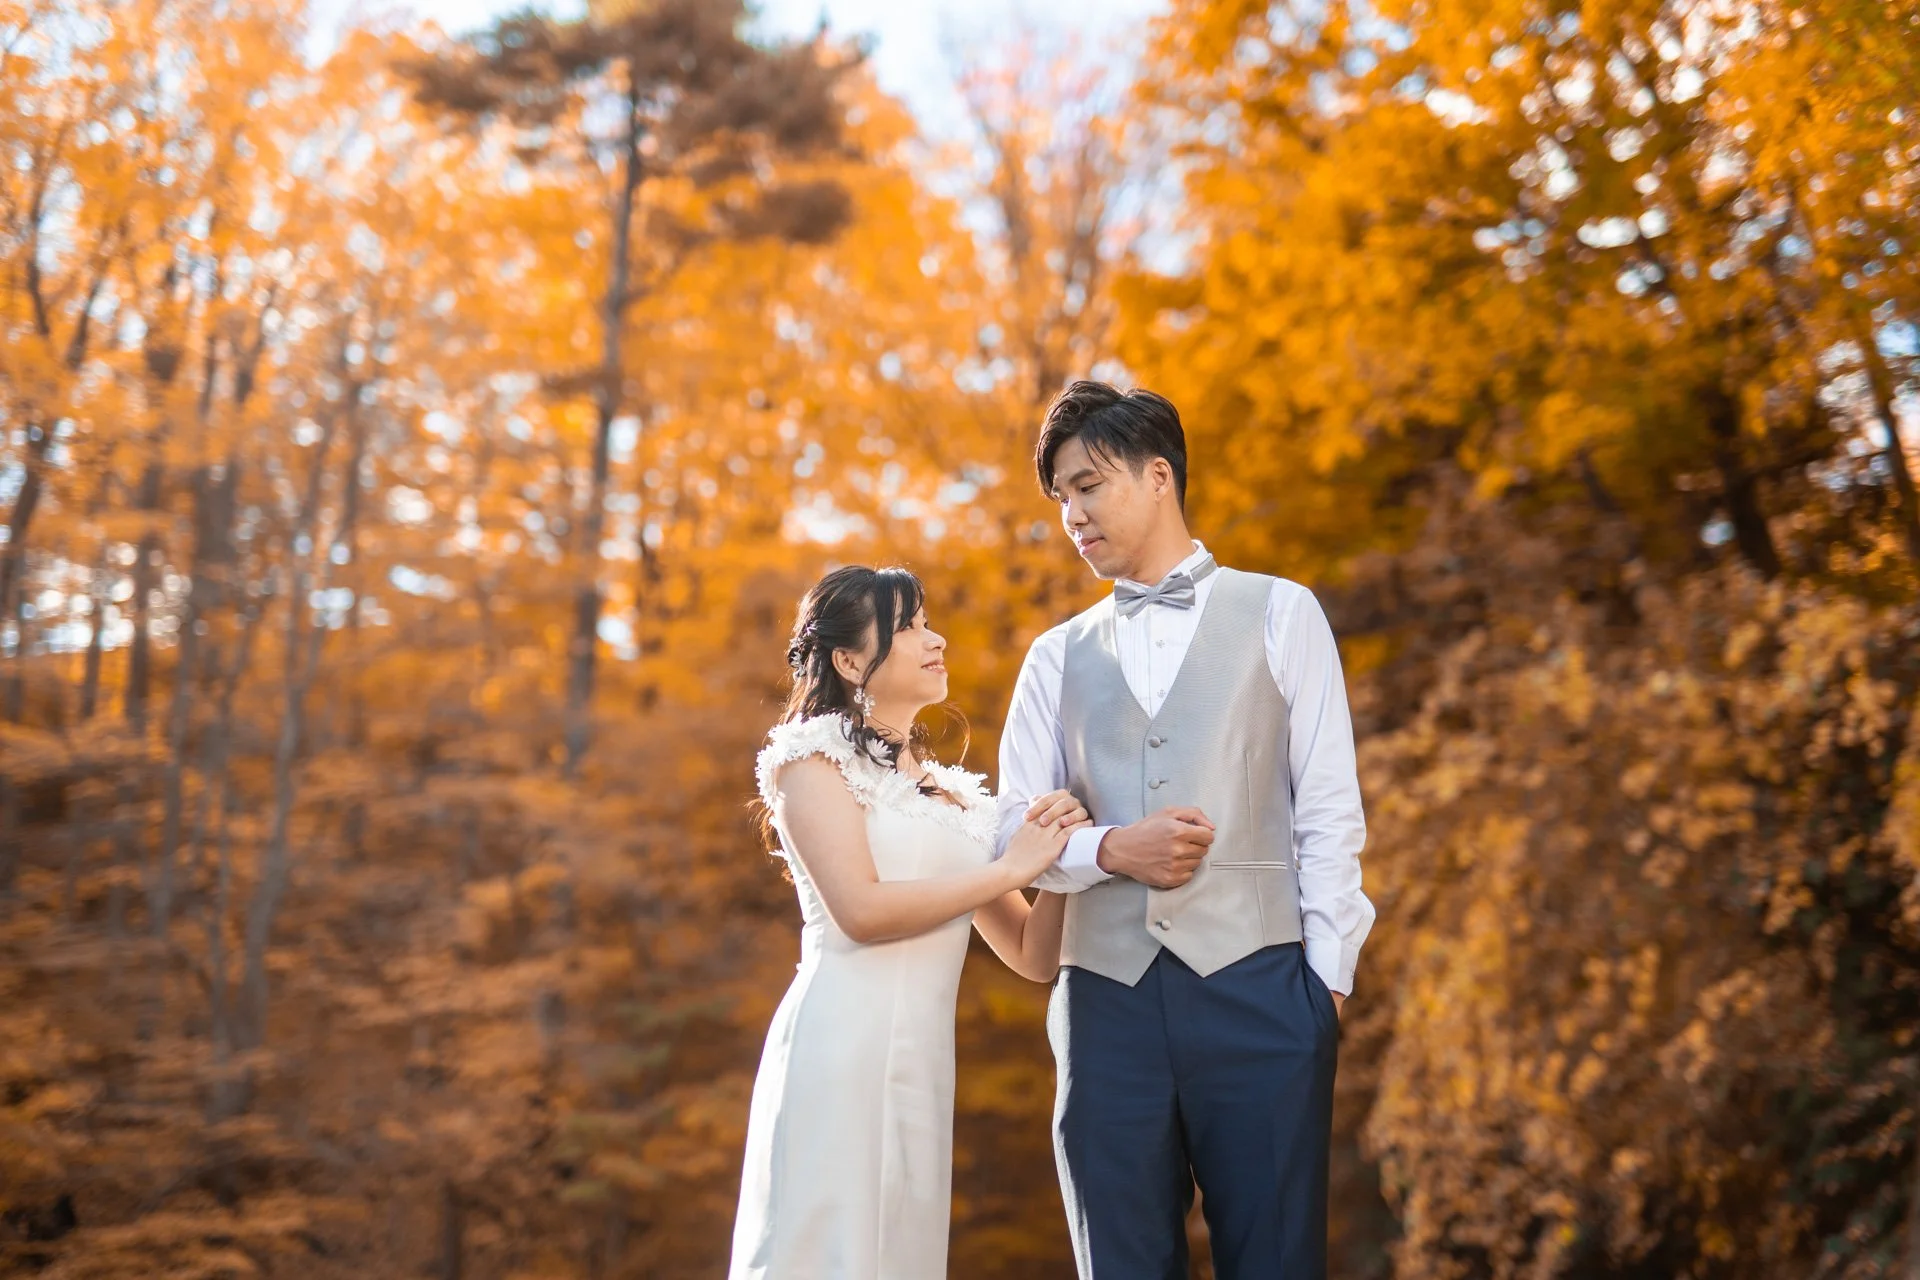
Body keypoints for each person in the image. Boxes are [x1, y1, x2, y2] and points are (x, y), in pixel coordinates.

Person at [997, 380, 1377, 1280]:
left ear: (1158, 475)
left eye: (1088, 486)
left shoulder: (1284, 611)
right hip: (1102, 1007)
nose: (1073, 515)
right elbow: (1006, 825)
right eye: (1060, 499)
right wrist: (1107, 850)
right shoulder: (1053, 657)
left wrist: (1323, 986)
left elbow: (1328, 808)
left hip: (1263, 990)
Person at [729, 564, 1089, 1280]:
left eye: (928, 622)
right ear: (850, 658)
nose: (937, 639)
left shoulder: (954, 795)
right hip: (837, 1049)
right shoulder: (810, 762)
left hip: (923, 1062)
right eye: (912, 627)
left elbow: (1030, 954)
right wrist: (1010, 868)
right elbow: (860, 912)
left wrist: (1059, 860)